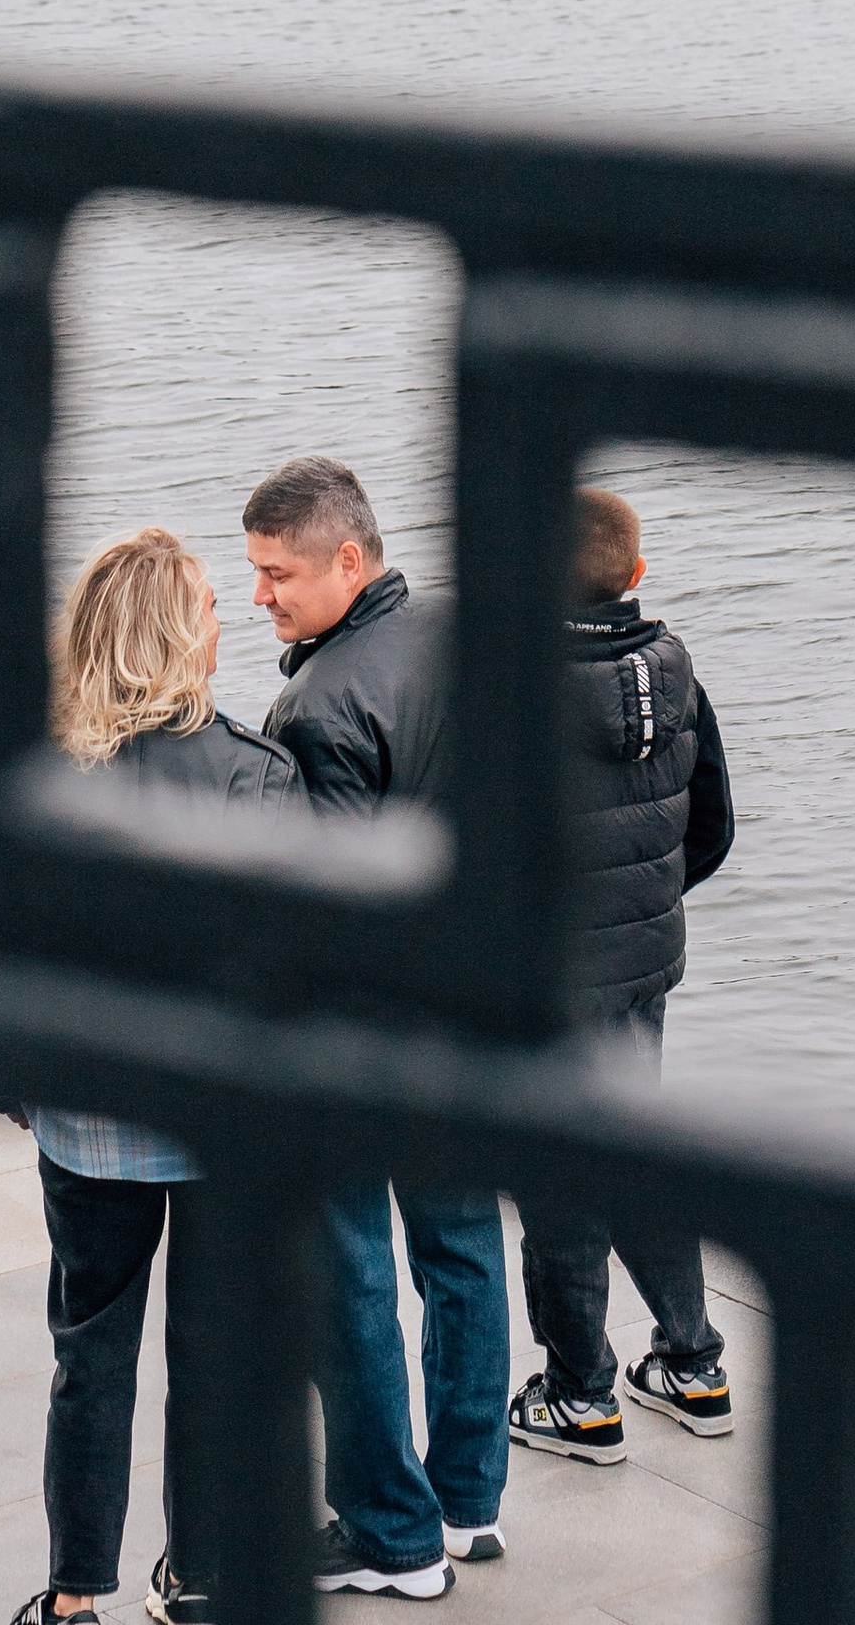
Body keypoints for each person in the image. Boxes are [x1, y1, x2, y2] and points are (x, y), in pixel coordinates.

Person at [9, 526, 305, 1625]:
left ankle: (74, 1595)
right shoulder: (257, 777)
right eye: (213, 610)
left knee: (89, 1356)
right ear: (176, 640)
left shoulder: (43, 780)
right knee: (213, 1359)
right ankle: (200, 1574)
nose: (228, 622)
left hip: (87, 1122)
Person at [243, 456, 507, 1598]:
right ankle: (469, 1501)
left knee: (349, 1273)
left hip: (366, 1032)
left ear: (348, 561)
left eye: (277, 574)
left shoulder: (316, 706)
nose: (259, 595)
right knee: (463, 1250)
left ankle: (392, 1532)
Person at [507, 485, 736, 1468]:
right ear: (636, 574)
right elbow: (713, 825)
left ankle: (578, 1394)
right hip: (645, 966)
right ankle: (692, 1364)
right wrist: (643, 907)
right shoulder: (675, 669)